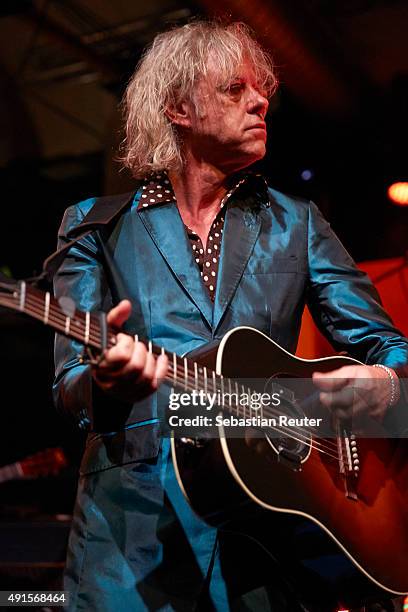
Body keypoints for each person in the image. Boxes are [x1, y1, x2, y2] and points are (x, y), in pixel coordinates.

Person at [53, 20, 408, 611]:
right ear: (179, 108)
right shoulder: (94, 226)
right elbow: (69, 388)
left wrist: (387, 388)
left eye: (261, 88)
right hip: (133, 547)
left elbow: (392, 353)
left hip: (277, 541)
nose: (261, 99)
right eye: (233, 89)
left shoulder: (298, 223)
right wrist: (106, 385)